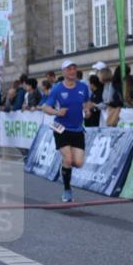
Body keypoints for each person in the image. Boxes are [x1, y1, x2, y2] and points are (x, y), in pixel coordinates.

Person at [41, 59, 94, 202]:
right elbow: (45, 107)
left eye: (74, 69)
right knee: (68, 159)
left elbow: (87, 101)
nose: (72, 71)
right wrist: (57, 112)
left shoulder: (83, 87)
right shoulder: (57, 89)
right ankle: (67, 189)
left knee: (78, 163)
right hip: (61, 128)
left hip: (77, 129)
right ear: (63, 72)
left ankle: (64, 167)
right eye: (69, 69)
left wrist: (87, 109)